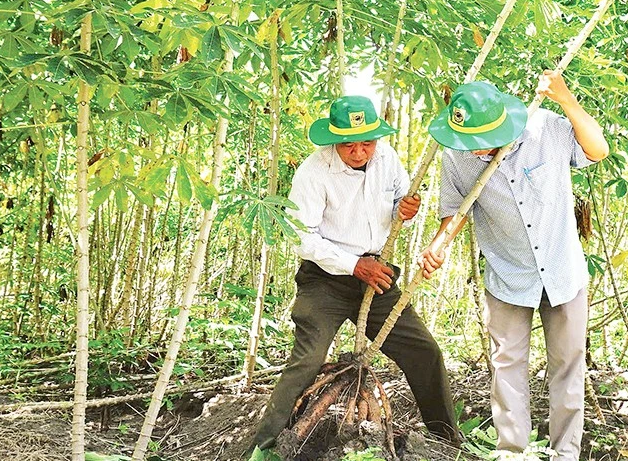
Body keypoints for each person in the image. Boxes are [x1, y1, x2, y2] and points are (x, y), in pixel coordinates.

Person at [249, 95, 459, 455]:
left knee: (423, 351)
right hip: (326, 279)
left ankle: (447, 441)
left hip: (376, 274)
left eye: (367, 143)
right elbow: (302, 237)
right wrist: (352, 264)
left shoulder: (387, 158)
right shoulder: (314, 173)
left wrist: (404, 209)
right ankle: (265, 446)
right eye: (349, 145)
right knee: (309, 359)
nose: (360, 152)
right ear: (334, 140)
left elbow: (397, 201)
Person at [419, 72, 609, 461]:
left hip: (562, 271)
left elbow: (598, 150)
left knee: (567, 367)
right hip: (507, 275)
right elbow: (454, 211)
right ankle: (512, 451)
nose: (474, 151)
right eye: (467, 144)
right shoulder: (457, 155)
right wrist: (438, 246)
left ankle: (566, 453)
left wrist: (566, 99)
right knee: (507, 366)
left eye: (482, 143)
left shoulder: (546, 129)